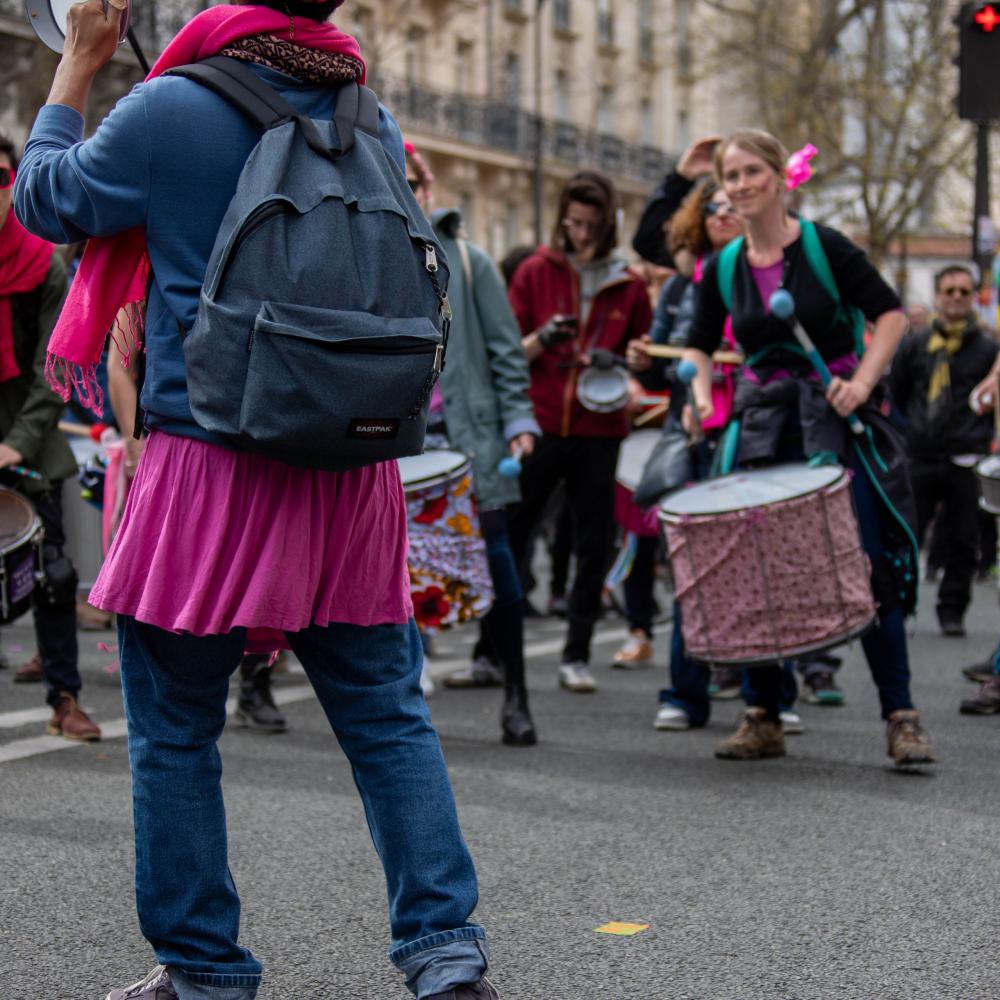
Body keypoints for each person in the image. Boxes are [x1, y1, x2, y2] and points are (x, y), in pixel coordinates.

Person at [14, 2, 497, 997]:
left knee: (176, 732)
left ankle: (204, 968)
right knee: (386, 720)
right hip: (348, 464)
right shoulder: (369, 114)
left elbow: (45, 200)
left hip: (210, 466)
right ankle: (446, 955)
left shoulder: (172, 106)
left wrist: (78, 65)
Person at [683, 129, 935, 766]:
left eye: (751, 172)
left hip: (834, 419)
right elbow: (699, 344)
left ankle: (900, 715)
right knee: (756, 568)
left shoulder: (826, 247)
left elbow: (890, 315)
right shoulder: (724, 266)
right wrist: (699, 396)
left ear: (780, 176)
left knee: (866, 561)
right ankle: (764, 713)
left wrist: (863, 383)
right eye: (730, 176)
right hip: (765, 425)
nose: (740, 185)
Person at [407, 144, 541, 746]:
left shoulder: (467, 259)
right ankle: (405, 695)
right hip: (399, 445)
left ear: (429, 189)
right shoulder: (365, 254)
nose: (405, 193)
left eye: (413, 183)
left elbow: (507, 353)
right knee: (396, 572)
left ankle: (517, 693)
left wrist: (520, 421)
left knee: (497, 562)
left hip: (468, 438)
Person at [507, 170, 652, 693]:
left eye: (591, 225)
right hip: (542, 422)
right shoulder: (533, 272)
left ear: (608, 224)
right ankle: (492, 651)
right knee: (513, 531)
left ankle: (576, 654)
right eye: (573, 224)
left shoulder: (630, 284)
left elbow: (646, 360)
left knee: (593, 543)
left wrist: (629, 362)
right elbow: (509, 353)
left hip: (600, 428)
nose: (582, 234)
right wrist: (543, 339)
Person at [0, 132, 101, 741]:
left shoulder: (45, 263)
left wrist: (18, 440)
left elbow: (53, 364)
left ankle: (65, 697)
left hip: (29, 441)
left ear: (13, 184)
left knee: (52, 573)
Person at [888, 264, 998, 637]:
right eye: (949, 291)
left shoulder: (987, 348)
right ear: (937, 296)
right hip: (920, 453)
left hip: (967, 455)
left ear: (973, 298)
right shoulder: (915, 344)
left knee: (964, 539)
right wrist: (909, 434)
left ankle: (952, 609)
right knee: (907, 534)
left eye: (964, 292)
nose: (956, 298)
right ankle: (899, 605)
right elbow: (898, 393)